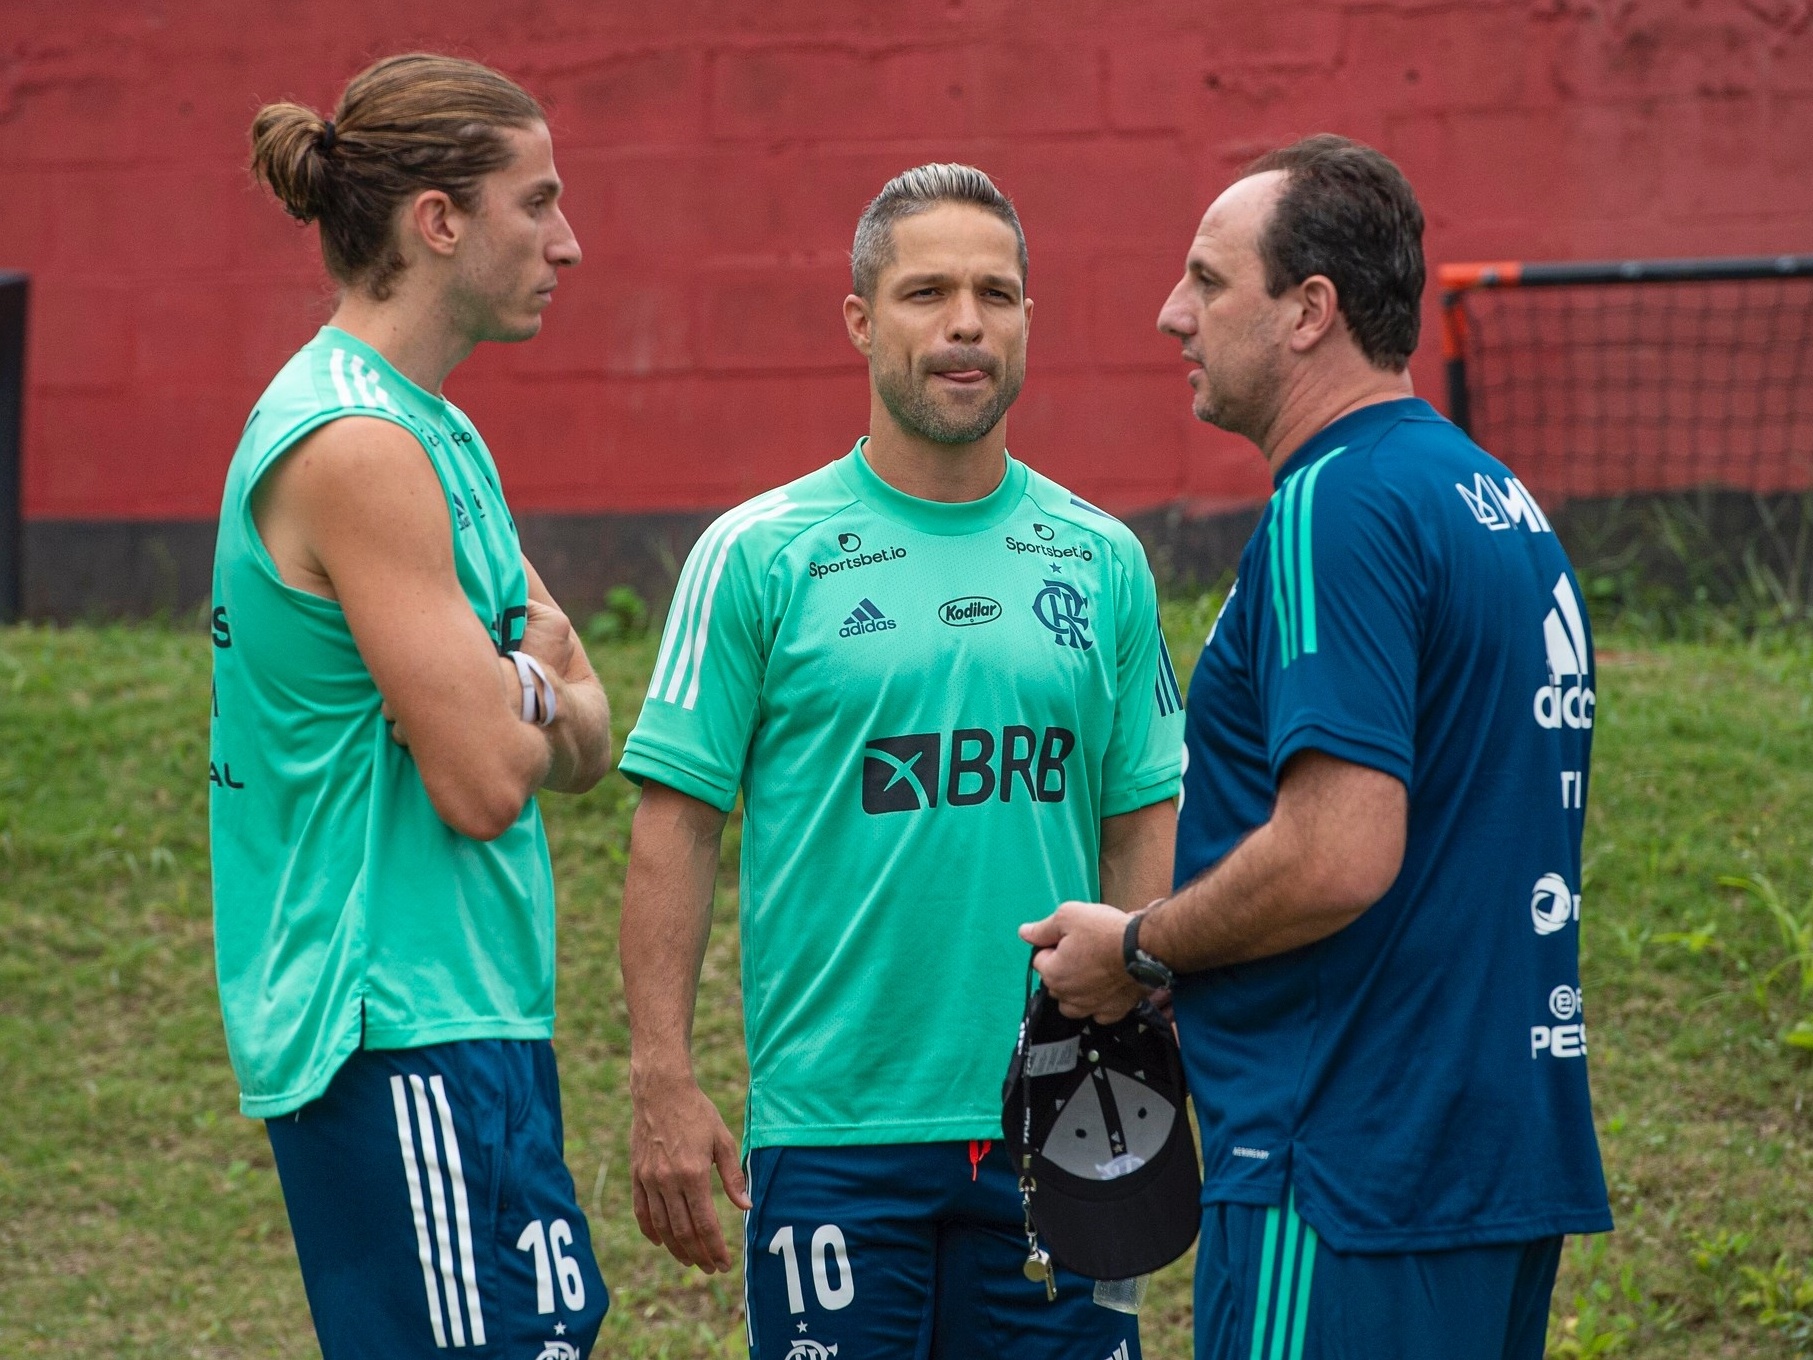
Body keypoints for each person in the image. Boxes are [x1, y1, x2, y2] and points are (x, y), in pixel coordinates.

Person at [1021, 135, 1612, 1360]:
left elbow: (1339, 852)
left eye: (1207, 280)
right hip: (1494, 1154)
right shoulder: (1493, 499)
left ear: (1308, 312)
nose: (1169, 313)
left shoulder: (1329, 505)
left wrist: (1138, 948)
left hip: (1342, 1159)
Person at [616, 163, 1185, 1359]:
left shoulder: (1102, 558)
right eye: (927, 291)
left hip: (1061, 1120)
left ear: (1030, 318)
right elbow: (675, 824)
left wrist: (1139, 1006)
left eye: (997, 292)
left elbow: (1142, 815)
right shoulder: (758, 555)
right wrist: (661, 1076)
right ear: (862, 321)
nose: (966, 321)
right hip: (835, 1132)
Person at [211, 53, 613, 1357]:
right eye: (536, 203)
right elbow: (488, 781)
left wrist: (524, 686)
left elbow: (591, 734)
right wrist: (532, 689)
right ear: (438, 221)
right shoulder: (354, 444)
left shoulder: (434, 430)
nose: (570, 241)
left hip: (476, 1014)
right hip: (394, 1024)